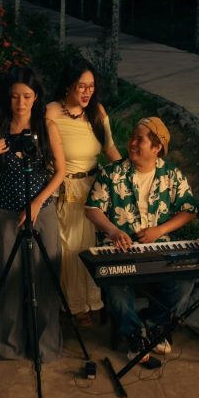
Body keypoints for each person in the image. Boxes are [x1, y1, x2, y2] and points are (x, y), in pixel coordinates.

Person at [85, 117, 198, 364]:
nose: (132, 143)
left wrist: (160, 230)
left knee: (185, 279)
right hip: (120, 249)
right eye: (132, 138)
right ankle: (135, 336)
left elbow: (189, 209)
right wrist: (114, 231)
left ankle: (156, 325)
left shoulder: (171, 175)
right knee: (116, 287)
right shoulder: (112, 173)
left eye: (139, 139)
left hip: (159, 251)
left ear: (157, 147)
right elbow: (92, 209)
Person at [0, 67, 67, 363]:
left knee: (44, 278)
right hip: (6, 211)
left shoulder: (46, 126)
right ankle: (8, 345)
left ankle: (45, 346)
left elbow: (61, 171)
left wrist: (37, 203)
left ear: (36, 96)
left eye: (27, 96)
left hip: (41, 211)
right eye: (15, 96)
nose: (20, 102)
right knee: (8, 279)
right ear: (7, 97)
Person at [46, 58, 122, 327]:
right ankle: (72, 305)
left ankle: (91, 302)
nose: (88, 92)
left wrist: (127, 174)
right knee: (68, 247)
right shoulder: (52, 112)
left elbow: (109, 149)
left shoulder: (97, 112)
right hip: (65, 188)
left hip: (93, 188)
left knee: (89, 245)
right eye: (81, 86)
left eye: (91, 86)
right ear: (68, 86)